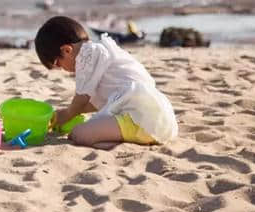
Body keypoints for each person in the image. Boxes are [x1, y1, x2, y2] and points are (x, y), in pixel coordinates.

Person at [35, 16, 178, 149]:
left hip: (141, 119)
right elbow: (100, 102)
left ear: (66, 50)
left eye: (58, 64)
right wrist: (73, 111)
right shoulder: (104, 51)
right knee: (88, 127)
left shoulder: (87, 55)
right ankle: (129, 138)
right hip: (161, 119)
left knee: (77, 133)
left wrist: (66, 114)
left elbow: (81, 99)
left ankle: (123, 140)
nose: (63, 70)